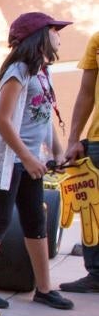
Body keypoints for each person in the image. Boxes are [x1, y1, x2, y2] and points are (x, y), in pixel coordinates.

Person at [0, 13, 74, 310]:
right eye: (55, 31)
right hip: (9, 161)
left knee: (35, 221)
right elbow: (1, 119)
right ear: (39, 35)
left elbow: (44, 119)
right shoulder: (18, 70)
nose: (59, 37)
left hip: (30, 160)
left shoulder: (43, 71)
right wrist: (27, 157)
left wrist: (54, 150)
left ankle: (44, 288)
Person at [61, 27, 99, 293]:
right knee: (92, 211)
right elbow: (86, 92)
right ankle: (96, 274)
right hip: (97, 141)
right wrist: (74, 138)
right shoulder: (97, 39)